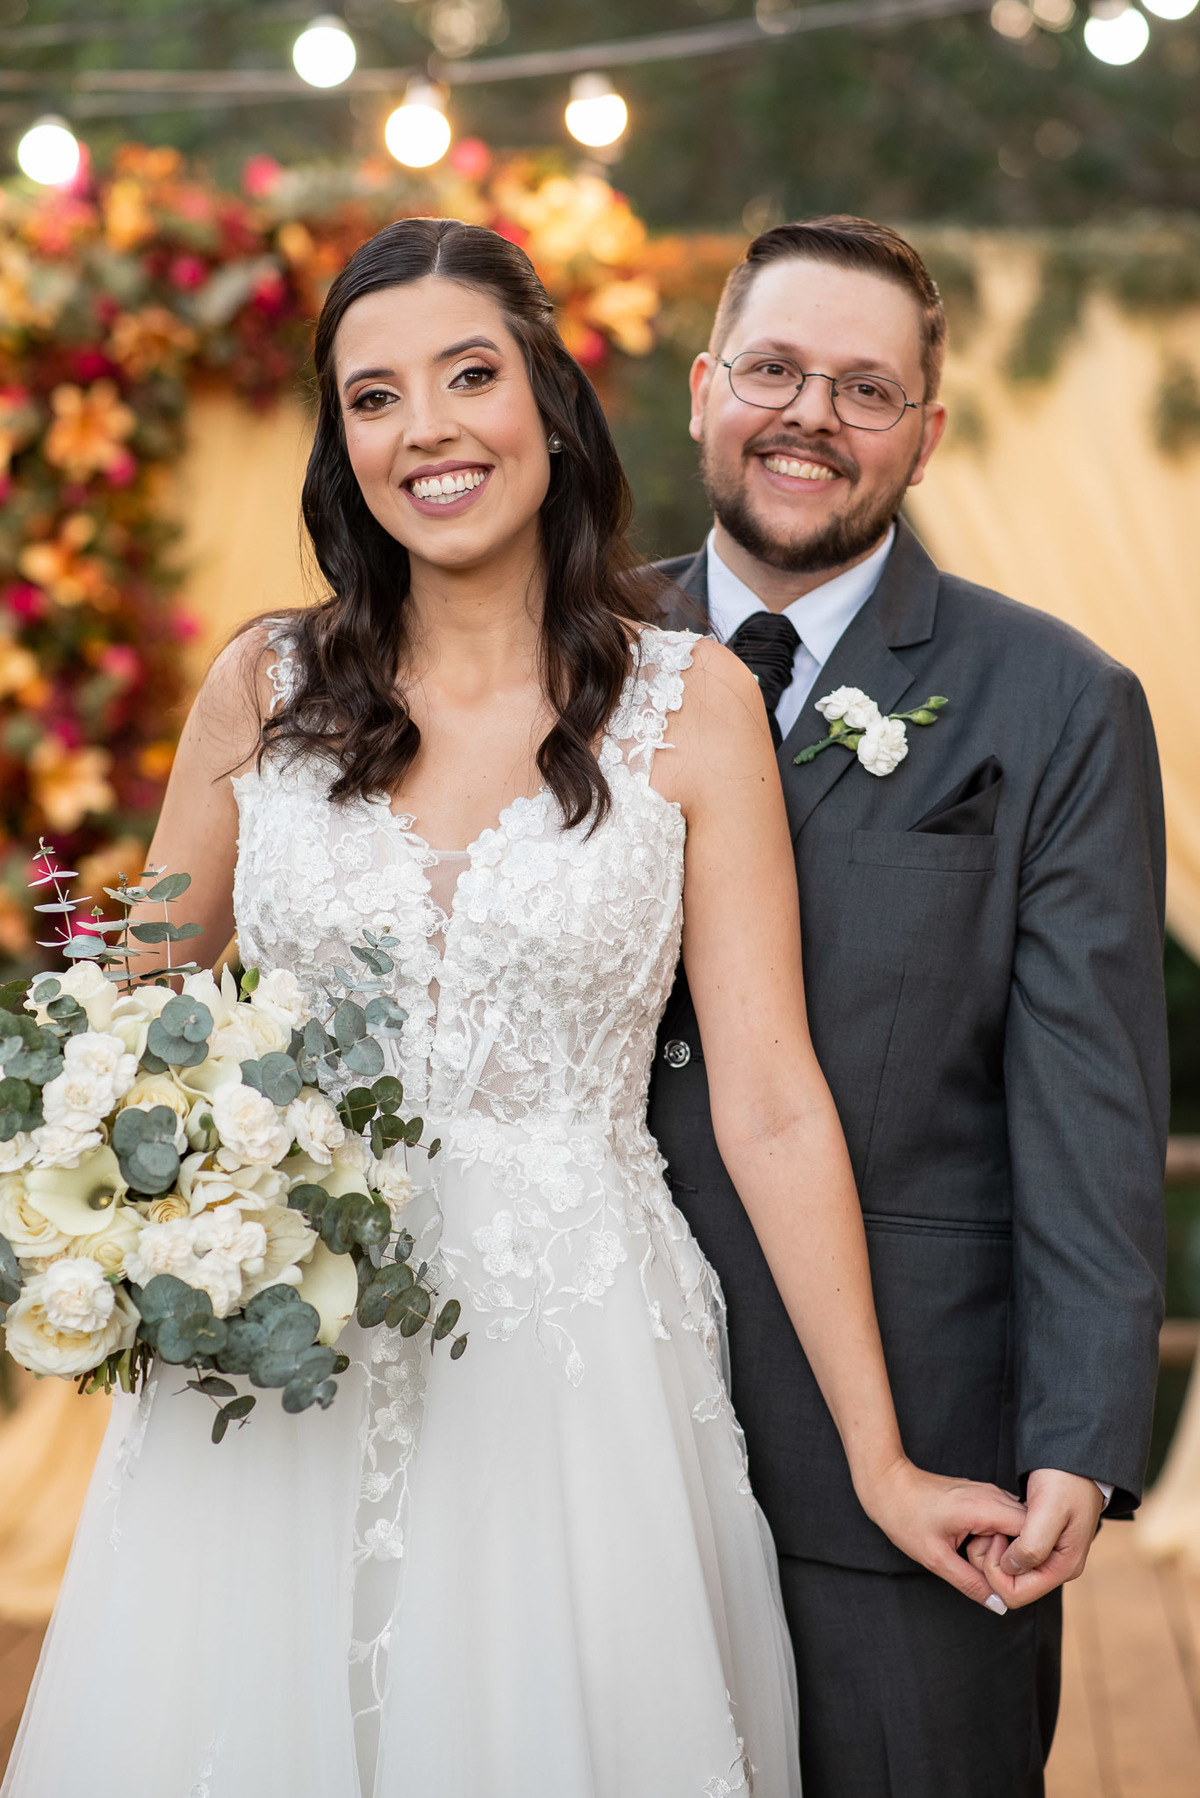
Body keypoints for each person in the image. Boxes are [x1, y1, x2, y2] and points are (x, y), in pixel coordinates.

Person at [2, 219, 1026, 1798]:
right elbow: (135, 1035)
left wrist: (881, 1461)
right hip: (279, 1372)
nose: (428, 429)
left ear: (549, 400)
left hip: (580, 1375)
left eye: (469, 375)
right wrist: (133, 1220)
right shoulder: (262, 690)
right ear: (344, 446)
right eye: (375, 397)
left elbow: (769, 1099)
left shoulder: (696, 706)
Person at [648, 214, 1169, 1798]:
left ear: (926, 436)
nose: (810, 415)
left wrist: (1079, 1432)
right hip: (597, 1439)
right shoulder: (560, 658)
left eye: (864, 389)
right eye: (774, 370)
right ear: (703, 392)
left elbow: (1088, 1098)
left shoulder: (1058, 701)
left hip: (921, 1459)